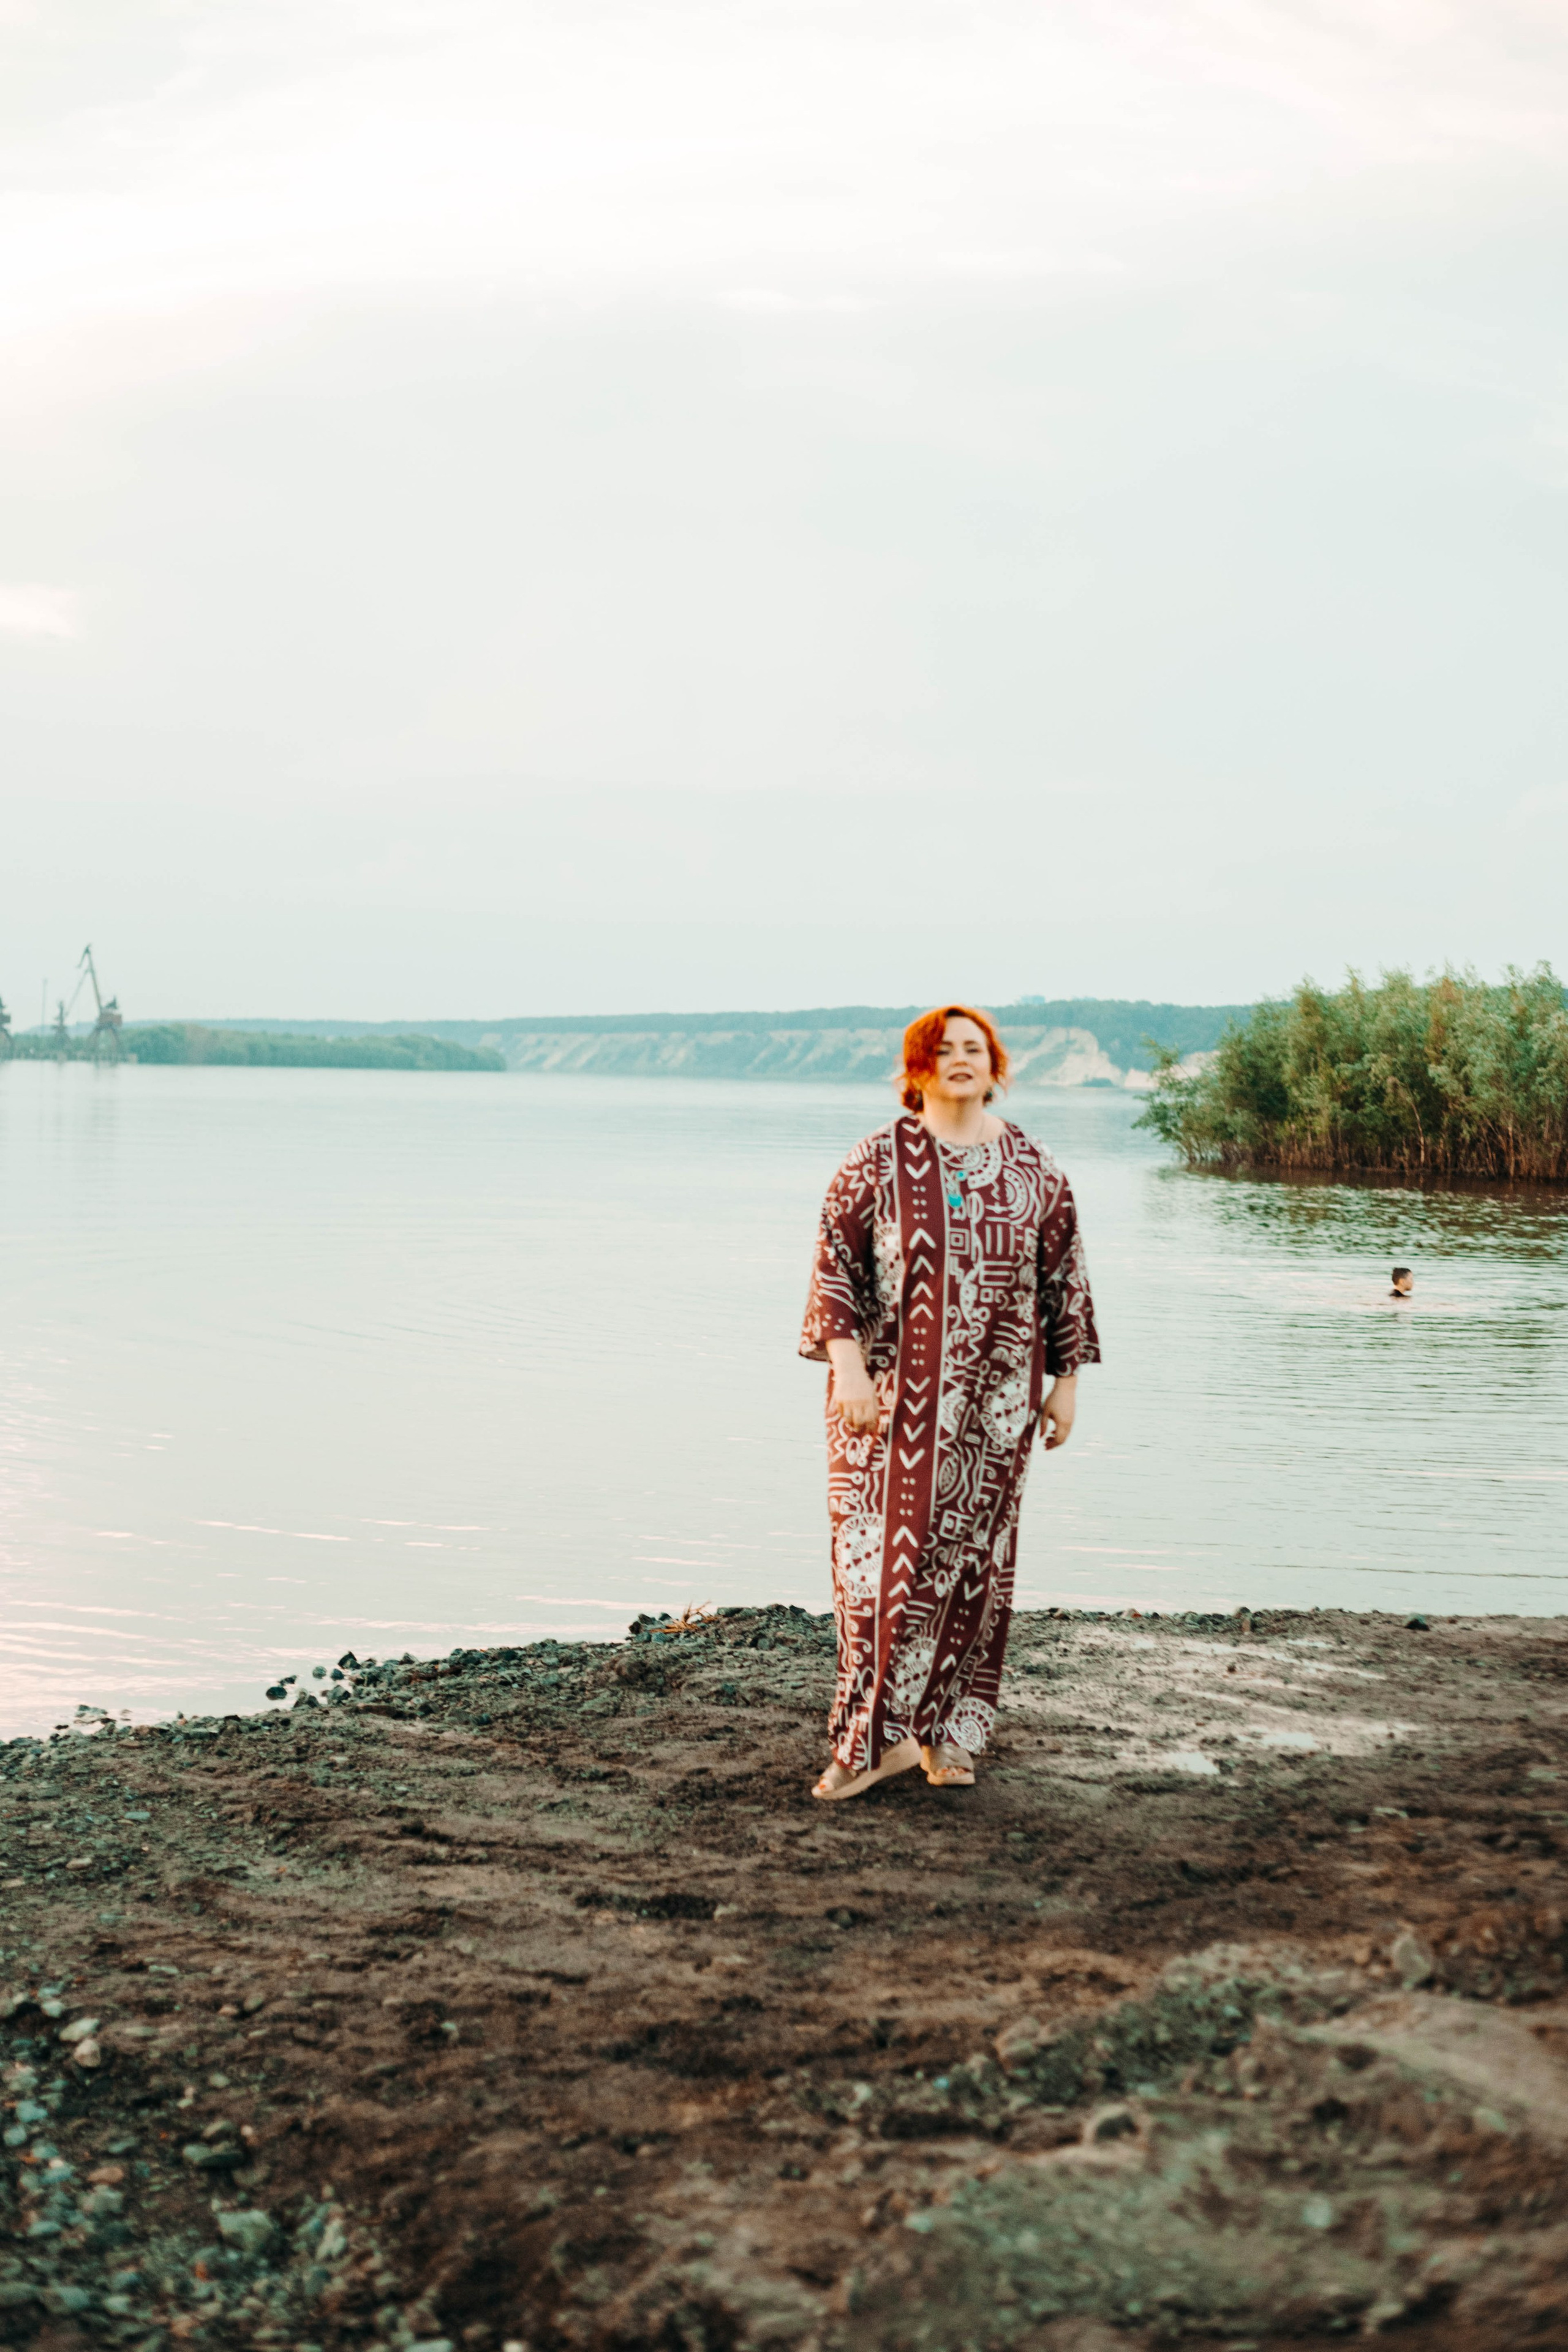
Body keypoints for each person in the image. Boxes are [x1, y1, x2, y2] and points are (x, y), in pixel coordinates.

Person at [799, 1004, 1099, 1802]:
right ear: (919, 1067)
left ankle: (950, 1737)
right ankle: (864, 1743)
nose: (961, 1059)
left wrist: (1066, 1382)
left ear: (994, 1065)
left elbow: (1064, 1276)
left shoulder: (1034, 1168)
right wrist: (850, 1370)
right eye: (945, 1048)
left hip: (995, 1411)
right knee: (872, 1581)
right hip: (884, 1407)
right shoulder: (875, 1161)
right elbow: (834, 1267)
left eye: (975, 1048)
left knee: (973, 1572)